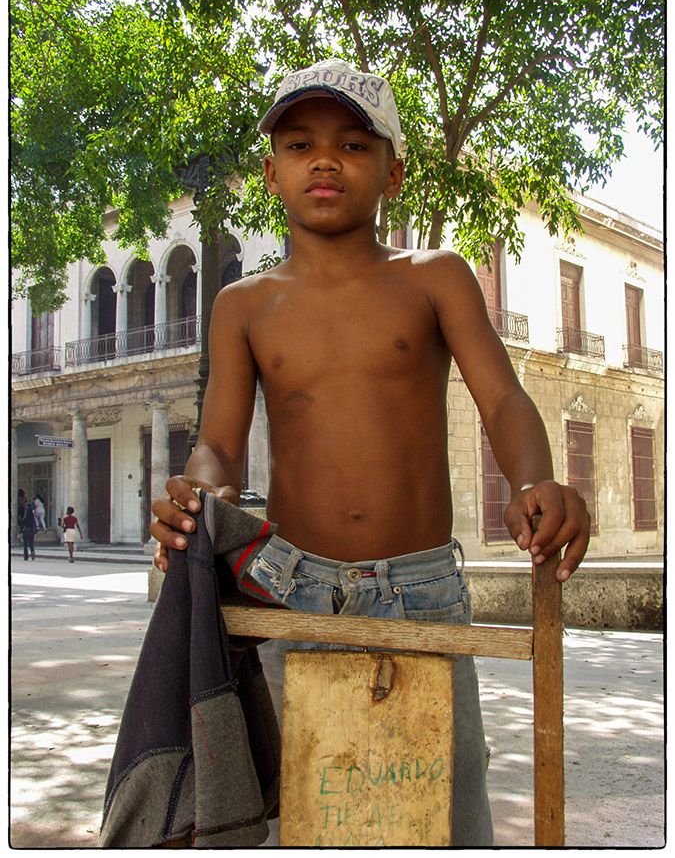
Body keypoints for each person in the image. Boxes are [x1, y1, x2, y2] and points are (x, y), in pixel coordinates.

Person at [150, 59, 590, 846]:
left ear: (392, 172)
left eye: (354, 145)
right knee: (300, 803)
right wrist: (197, 496)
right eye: (299, 144)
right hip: (290, 592)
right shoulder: (242, 304)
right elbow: (218, 445)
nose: (325, 160)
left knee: (443, 808)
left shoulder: (435, 278)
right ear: (271, 172)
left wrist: (536, 478)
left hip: (421, 591)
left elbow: (502, 398)